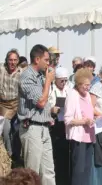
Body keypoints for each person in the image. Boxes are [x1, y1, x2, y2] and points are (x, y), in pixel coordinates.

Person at [18, 44, 56, 185]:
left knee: (48, 171)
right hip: (32, 127)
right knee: (32, 173)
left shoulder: (41, 76)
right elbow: (40, 101)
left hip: (44, 127)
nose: (48, 63)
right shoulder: (27, 77)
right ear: (37, 59)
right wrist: (48, 81)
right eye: (46, 60)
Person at [64, 68, 95, 185]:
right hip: (79, 138)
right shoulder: (72, 95)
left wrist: (95, 119)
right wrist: (84, 122)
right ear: (79, 84)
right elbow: (68, 120)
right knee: (79, 171)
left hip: (89, 136)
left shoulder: (87, 95)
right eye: (86, 85)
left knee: (87, 170)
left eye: (89, 85)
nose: (88, 88)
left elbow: (90, 112)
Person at [48, 67, 71, 185]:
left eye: (65, 80)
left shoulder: (68, 89)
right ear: (56, 80)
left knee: (66, 155)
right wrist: (52, 109)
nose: (64, 83)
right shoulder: (51, 89)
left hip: (66, 125)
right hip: (55, 125)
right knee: (56, 155)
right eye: (61, 81)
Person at [0, 49, 22, 158]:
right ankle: (9, 154)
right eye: (10, 60)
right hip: (4, 105)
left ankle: (16, 155)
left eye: (14, 60)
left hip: (17, 105)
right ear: (7, 60)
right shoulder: (1, 70)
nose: (12, 62)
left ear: (17, 61)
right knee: (5, 130)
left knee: (17, 131)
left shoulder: (21, 73)